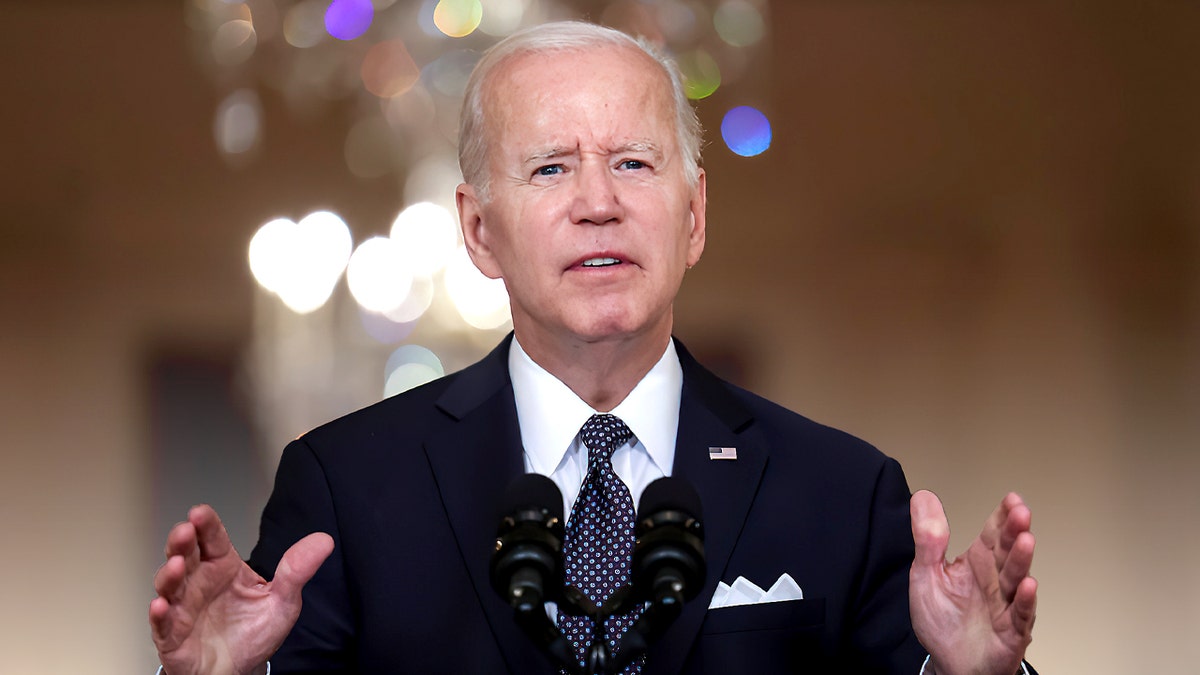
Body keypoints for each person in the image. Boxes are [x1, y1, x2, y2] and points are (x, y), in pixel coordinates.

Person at [150, 20, 1038, 675]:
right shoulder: (346, 488)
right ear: (478, 230)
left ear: (694, 216)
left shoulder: (842, 491)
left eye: (634, 163)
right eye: (549, 168)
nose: (597, 202)